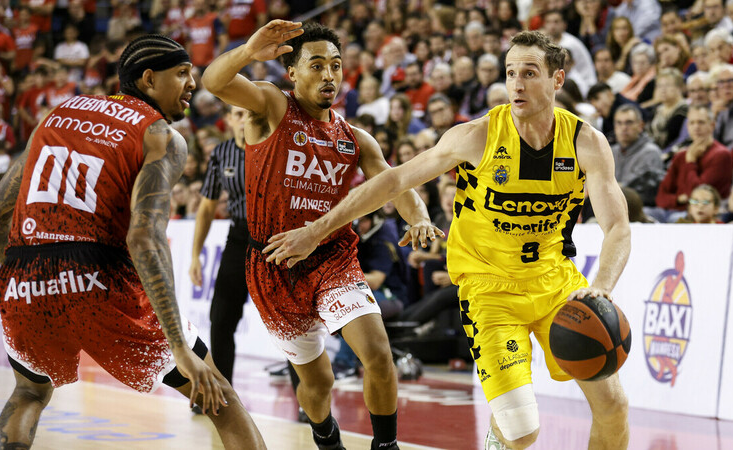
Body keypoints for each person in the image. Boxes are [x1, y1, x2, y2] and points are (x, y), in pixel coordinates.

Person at [265, 30, 630, 450]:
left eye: (529, 73)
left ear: (557, 79)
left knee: (613, 404)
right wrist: (316, 230)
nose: (516, 83)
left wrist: (602, 286)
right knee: (522, 430)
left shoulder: (586, 142)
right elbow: (394, 181)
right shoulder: (476, 136)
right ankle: (499, 436)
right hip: (489, 290)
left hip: (556, 282)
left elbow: (618, 227)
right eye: (511, 72)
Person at [0, 34, 264, 449]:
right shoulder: (161, 136)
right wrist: (178, 346)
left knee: (29, 392)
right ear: (149, 79)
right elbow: (144, 236)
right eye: (182, 73)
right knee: (219, 398)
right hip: (100, 276)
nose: (193, 83)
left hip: (26, 275)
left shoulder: (58, 114)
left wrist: (19, 274)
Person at [203, 21, 440, 450]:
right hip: (274, 267)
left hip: (333, 258)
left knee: (378, 354)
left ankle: (386, 446)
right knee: (318, 382)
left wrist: (418, 217)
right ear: (292, 71)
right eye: (316, 65)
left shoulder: (355, 139)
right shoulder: (272, 105)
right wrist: (249, 51)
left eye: (335, 65)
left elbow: (394, 184)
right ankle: (326, 437)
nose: (329, 74)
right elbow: (214, 81)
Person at [189, 104, 248, 385]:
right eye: (239, 114)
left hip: (275, 239)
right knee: (221, 318)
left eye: (251, 113)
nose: (245, 119)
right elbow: (207, 206)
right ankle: (223, 394)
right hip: (239, 237)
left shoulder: (274, 147)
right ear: (228, 120)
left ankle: (306, 402)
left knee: (290, 325)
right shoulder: (222, 153)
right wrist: (194, 255)